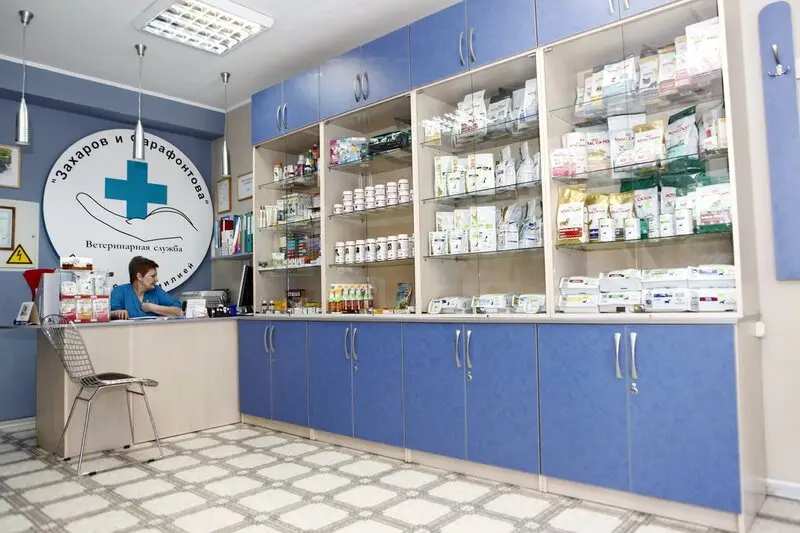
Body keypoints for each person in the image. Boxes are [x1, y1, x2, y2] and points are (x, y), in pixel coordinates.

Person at [110, 256, 183, 320]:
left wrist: (152, 307)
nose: (157, 279)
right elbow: (107, 313)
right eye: (153, 276)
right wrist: (116, 313)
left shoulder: (156, 290)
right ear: (139, 276)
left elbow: (178, 311)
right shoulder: (119, 291)